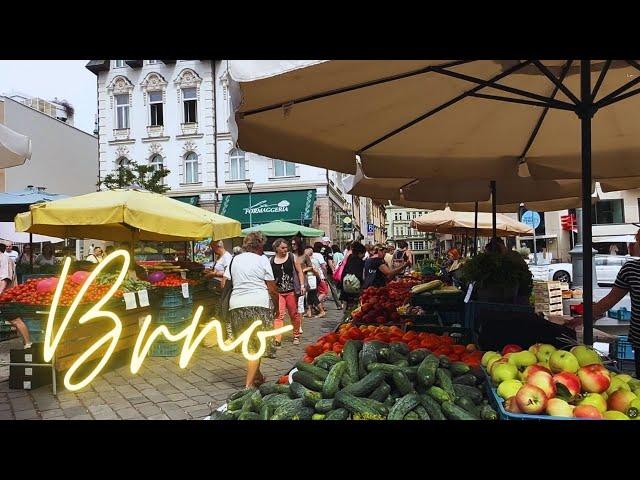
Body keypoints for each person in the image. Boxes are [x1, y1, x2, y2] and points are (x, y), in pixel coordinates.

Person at [223, 232, 280, 387]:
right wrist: (275, 307)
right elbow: (272, 288)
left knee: (250, 343)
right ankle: (248, 386)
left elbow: (225, 283)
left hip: (237, 305)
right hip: (258, 305)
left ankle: (258, 376)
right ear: (260, 245)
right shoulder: (262, 260)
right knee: (256, 346)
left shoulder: (234, 260)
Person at [594, 229, 640, 378]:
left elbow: (609, 301)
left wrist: (585, 316)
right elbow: (609, 301)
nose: (633, 245)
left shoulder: (631, 269)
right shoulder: (630, 269)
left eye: (636, 241)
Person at [270, 238, 305, 346]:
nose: (285, 249)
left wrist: (302, 285)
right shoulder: (271, 260)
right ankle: (277, 338)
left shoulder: (291, 257)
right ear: (276, 248)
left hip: (291, 291)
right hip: (279, 292)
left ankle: (296, 335)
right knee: (279, 315)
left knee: (294, 314)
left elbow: (299, 272)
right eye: (282, 248)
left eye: (286, 247)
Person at [340, 241, 366, 309]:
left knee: (348, 305)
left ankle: (346, 317)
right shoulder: (360, 262)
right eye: (363, 253)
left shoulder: (349, 258)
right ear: (360, 253)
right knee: (355, 306)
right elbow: (359, 275)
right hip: (355, 287)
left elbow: (344, 271)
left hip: (346, 285)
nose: (364, 256)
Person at [304, 245, 326, 318]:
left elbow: (314, 270)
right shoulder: (313, 259)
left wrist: (303, 270)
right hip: (312, 279)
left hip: (312, 279)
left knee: (313, 295)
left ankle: (321, 311)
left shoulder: (311, 261)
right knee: (310, 296)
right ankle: (309, 311)